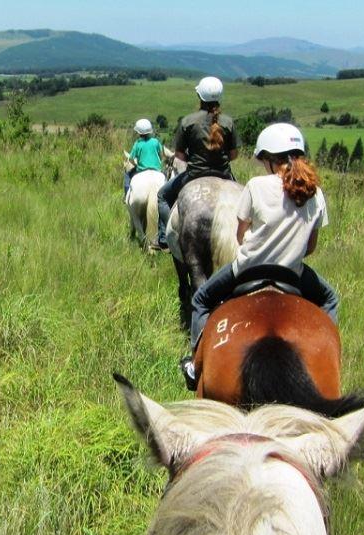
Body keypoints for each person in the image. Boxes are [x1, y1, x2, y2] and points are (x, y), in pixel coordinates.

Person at [180, 123, 340, 389]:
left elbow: (240, 235)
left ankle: (195, 366)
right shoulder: (315, 192)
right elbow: (310, 247)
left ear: (269, 159)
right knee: (330, 299)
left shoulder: (256, 185)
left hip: (246, 269)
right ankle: (331, 358)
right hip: (293, 273)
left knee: (201, 299)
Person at [153, 76, 239, 251]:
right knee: (245, 200)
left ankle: (164, 239)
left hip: (194, 174)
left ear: (199, 97)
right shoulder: (228, 122)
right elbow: (234, 154)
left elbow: (179, 154)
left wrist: (192, 159)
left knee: (162, 196)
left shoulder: (188, 121)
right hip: (224, 174)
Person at [124, 118, 164, 197]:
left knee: (127, 175)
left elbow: (131, 159)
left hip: (141, 170)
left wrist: (135, 164)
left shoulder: (137, 143)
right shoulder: (156, 141)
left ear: (138, 132)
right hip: (157, 169)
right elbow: (161, 155)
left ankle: (126, 196)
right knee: (166, 177)